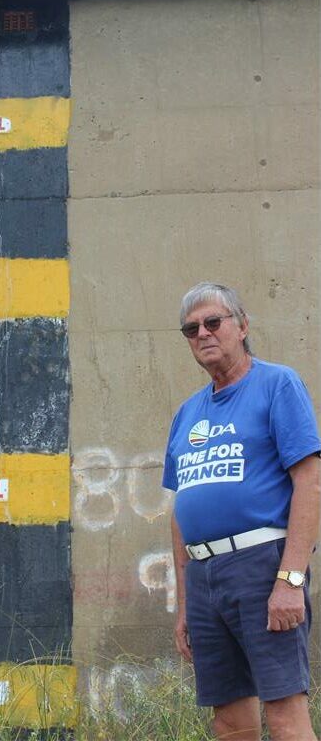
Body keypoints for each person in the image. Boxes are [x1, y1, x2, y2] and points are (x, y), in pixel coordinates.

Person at [162, 282, 321, 741]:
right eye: (192, 329)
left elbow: (308, 482)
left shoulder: (277, 384)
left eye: (214, 322)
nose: (203, 334)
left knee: (284, 713)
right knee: (229, 721)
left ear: (242, 326)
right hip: (204, 576)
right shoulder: (186, 414)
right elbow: (180, 509)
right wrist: (185, 604)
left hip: (260, 566)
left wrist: (290, 580)